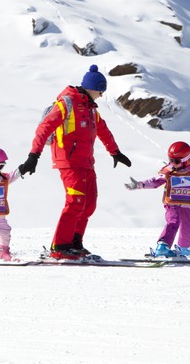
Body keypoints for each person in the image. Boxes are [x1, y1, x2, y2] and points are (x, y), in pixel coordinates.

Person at [19, 64, 131, 260]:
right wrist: (33, 156)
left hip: (86, 163)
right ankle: (60, 246)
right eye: (100, 91)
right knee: (75, 202)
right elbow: (44, 128)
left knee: (89, 204)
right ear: (92, 88)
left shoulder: (91, 110)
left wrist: (115, 152)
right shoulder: (66, 104)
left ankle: (74, 243)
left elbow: (103, 130)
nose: (101, 96)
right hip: (69, 162)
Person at [124, 141, 190, 257]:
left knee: (187, 225)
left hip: (186, 205)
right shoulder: (169, 172)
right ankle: (162, 246)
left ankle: (185, 247)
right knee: (173, 222)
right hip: (172, 204)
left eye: (176, 161)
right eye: (170, 160)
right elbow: (154, 182)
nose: (172, 163)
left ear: (187, 160)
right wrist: (139, 185)